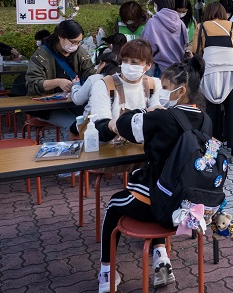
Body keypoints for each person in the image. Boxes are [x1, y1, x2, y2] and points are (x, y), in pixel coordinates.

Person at [96, 57, 207, 292]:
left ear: (182, 90)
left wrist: (147, 110)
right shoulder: (206, 119)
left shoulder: (162, 117)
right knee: (158, 194)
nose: (163, 94)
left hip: (160, 205)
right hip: (189, 205)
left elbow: (124, 124)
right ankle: (161, 258)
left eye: (166, 89)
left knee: (114, 206)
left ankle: (107, 271)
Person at [192, 2, 233, 162]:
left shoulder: (201, 26)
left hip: (210, 72)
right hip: (231, 71)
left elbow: (196, 50)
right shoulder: (232, 25)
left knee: (212, 113)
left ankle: (212, 154)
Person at [26, 20, 97, 130]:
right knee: (74, 125)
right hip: (48, 108)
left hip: (74, 103)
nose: (76, 45)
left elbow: (90, 73)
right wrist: (57, 82)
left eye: (79, 42)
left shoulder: (79, 52)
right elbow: (33, 84)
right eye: (73, 42)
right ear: (60, 36)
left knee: (92, 122)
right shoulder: (41, 55)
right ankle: (72, 147)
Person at [88, 40, 160, 131]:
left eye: (134, 62)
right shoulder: (103, 85)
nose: (128, 66)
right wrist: (110, 125)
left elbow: (156, 115)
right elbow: (99, 125)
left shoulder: (154, 85)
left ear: (148, 65)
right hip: (111, 143)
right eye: (125, 61)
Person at [142, 0, 188, 78]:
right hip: (178, 70)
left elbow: (146, 48)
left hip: (159, 69)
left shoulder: (152, 22)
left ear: (156, 4)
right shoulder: (181, 23)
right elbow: (185, 45)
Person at [70, 50, 121, 124]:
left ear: (103, 64)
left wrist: (76, 84)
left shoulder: (95, 79)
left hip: (93, 122)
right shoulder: (122, 79)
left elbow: (78, 100)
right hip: (117, 121)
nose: (96, 68)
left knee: (71, 128)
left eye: (98, 64)